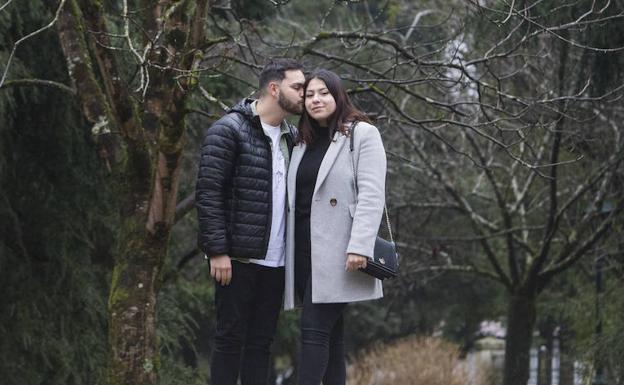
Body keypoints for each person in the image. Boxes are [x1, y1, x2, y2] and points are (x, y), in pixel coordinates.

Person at [196, 58, 305, 385]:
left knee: (261, 344)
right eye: (297, 87)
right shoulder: (229, 129)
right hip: (237, 259)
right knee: (229, 340)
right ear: (274, 88)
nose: (304, 94)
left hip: (276, 262)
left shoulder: (293, 136)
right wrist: (217, 251)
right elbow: (209, 191)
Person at [284, 69, 387, 385]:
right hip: (304, 252)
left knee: (313, 330)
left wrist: (360, 245)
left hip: (340, 252)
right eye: (310, 94)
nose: (316, 100)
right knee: (332, 337)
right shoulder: (302, 142)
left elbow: (372, 193)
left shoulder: (361, 134)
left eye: (323, 93)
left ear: (338, 95)